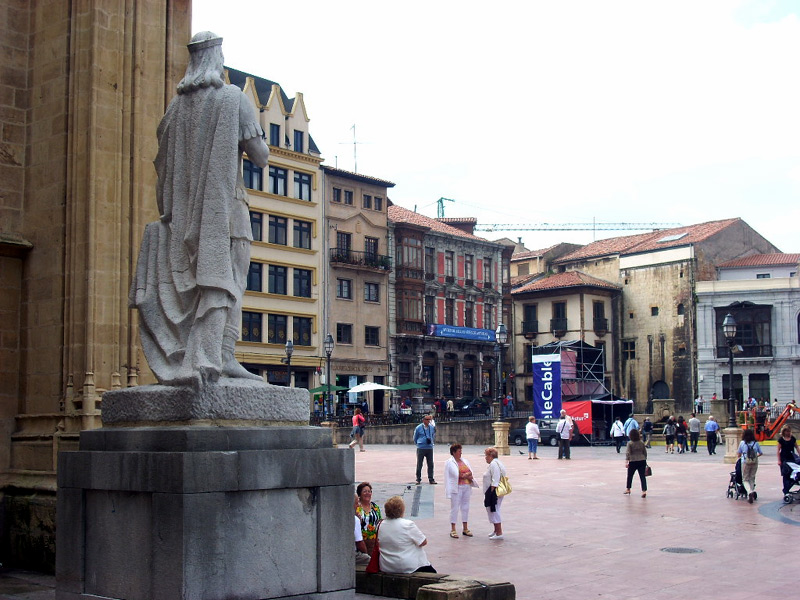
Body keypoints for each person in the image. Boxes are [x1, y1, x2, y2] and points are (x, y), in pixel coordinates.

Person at [130, 31, 270, 388]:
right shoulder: (232, 98)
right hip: (225, 210)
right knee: (230, 283)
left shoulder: (174, 110)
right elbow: (260, 156)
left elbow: (161, 163)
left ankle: (204, 354)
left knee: (198, 286)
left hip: (182, 216)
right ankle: (221, 355)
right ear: (216, 61)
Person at [378, 496, 436, 573]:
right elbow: (423, 542)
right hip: (406, 566)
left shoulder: (381, 524)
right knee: (432, 572)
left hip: (387, 565)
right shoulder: (408, 524)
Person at [444, 444, 478, 538]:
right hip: (457, 487)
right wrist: (465, 475)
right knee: (455, 508)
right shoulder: (450, 462)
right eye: (459, 451)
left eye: (461, 451)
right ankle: (453, 529)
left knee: (465, 507)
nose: (460, 453)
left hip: (466, 486)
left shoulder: (465, 461)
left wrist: (466, 475)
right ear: (454, 452)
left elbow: (470, 472)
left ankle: (465, 528)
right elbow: (457, 474)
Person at [482, 447, 507, 539]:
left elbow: (495, 478)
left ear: (490, 455)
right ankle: (496, 530)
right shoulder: (497, 463)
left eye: (486, 455)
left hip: (493, 491)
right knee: (493, 509)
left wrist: (491, 492)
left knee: (494, 510)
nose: (485, 458)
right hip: (494, 490)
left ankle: (499, 532)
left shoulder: (494, 464)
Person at [355, 482, 382, 555]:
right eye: (365, 491)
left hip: (374, 541)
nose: (367, 493)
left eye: (369, 491)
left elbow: (379, 521)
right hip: (361, 541)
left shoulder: (375, 507)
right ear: (359, 494)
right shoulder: (357, 507)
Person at [737, 428, 763, 503]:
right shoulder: (755, 443)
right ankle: (751, 490)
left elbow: (739, 453)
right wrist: (755, 457)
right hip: (754, 462)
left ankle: (749, 492)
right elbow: (761, 453)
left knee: (745, 479)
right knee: (752, 478)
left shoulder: (742, 443)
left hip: (745, 462)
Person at [623, 429, 648, 498]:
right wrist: (644, 458)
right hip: (642, 460)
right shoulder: (641, 442)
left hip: (633, 460)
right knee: (642, 476)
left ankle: (628, 489)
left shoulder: (630, 443)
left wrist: (626, 461)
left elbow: (628, 453)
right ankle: (644, 491)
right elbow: (645, 452)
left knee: (630, 476)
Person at [413, 414, 437, 484]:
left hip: (429, 447)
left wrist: (431, 441)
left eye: (429, 419)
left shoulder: (431, 427)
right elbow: (415, 437)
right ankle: (418, 478)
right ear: (423, 420)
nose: (428, 421)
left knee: (430, 464)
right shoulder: (418, 428)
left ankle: (431, 478)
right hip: (421, 447)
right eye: (427, 419)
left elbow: (433, 435)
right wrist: (418, 443)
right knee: (419, 464)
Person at [777, 425, 800, 494]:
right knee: (786, 474)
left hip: (791, 458)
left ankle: (790, 486)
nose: (788, 433)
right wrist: (779, 460)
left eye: (789, 431)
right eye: (787, 431)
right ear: (784, 432)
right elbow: (778, 450)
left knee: (793, 473)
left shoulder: (792, 439)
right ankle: (786, 490)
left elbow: (797, 447)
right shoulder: (781, 440)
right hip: (784, 459)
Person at [354, 495, 371, 565]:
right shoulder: (355, 519)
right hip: (352, 553)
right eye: (357, 503)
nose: (358, 505)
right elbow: (360, 543)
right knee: (370, 561)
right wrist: (366, 554)